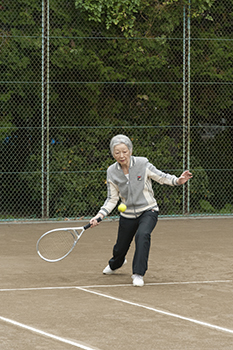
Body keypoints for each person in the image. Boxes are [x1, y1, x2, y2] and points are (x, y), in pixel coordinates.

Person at [90, 134, 192, 287]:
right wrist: (100, 215)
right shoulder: (111, 171)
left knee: (143, 235)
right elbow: (112, 198)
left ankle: (138, 273)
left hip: (148, 210)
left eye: (124, 151)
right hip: (127, 215)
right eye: (117, 152)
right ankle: (116, 263)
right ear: (113, 154)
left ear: (130, 150)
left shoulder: (142, 163)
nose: (121, 155)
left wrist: (177, 180)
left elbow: (161, 177)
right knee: (120, 247)